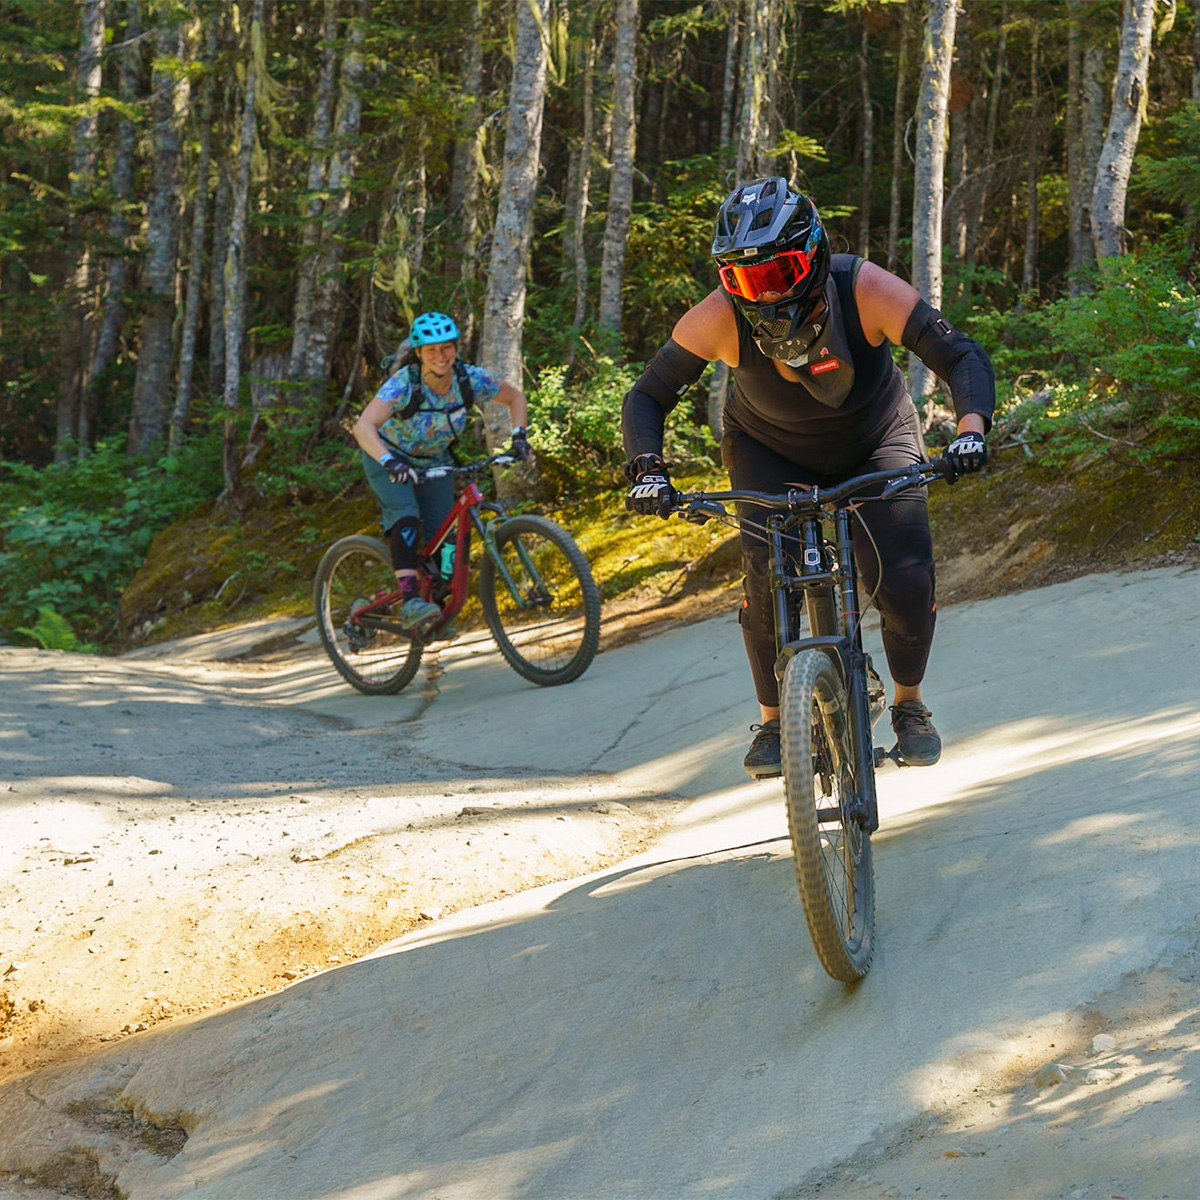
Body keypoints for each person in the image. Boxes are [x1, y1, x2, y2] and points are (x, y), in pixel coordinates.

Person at [622, 177, 994, 779]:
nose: (763, 295)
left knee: (901, 574)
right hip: (769, 448)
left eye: (778, 271)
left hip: (876, 438)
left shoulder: (862, 287)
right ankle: (775, 721)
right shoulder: (719, 318)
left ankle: (909, 705)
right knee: (765, 575)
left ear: (814, 253)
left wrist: (971, 429)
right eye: (744, 280)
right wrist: (647, 471)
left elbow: (959, 354)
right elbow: (648, 396)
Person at [353, 310, 531, 634]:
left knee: (449, 539)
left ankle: (434, 607)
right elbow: (363, 427)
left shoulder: (468, 378)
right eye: (431, 349)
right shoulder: (404, 383)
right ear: (419, 353)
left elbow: (515, 397)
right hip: (390, 458)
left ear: (455, 348)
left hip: (435, 461)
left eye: (447, 347)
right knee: (405, 517)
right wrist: (390, 462)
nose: (441, 355)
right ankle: (410, 604)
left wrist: (519, 436)